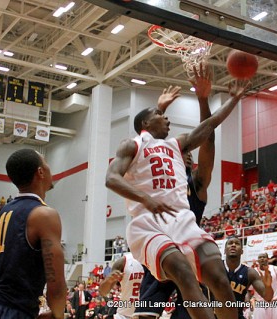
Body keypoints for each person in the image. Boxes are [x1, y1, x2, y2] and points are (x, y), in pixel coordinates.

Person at [106, 64, 248, 319]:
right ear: (147, 122)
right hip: (149, 224)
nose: (168, 119)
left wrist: (234, 100)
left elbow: (209, 127)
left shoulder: (178, 150)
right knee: (179, 275)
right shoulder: (132, 145)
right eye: (162, 116)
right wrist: (146, 198)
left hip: (183, 222)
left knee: (218, 275)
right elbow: (111, 178)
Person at [134, 67, 215, 319]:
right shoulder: (157, 175)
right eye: (180, 152)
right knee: (146, 314)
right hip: (160, 248)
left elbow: (207, 140)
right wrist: (160, 111)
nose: (184, 155)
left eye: (187, 153)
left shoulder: (197, 183)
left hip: (189, 252)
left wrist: (203, 100)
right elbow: (145, 148)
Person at [0, 149, 67, 319]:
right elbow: (56, 284)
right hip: (16, 311)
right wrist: (57, 315)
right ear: (40, 172)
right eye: (46, 163)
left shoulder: (3, 213)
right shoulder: (45, 215)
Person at [225, 237, 273, 319]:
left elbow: (268, 297)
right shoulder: (216, 268)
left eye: (237, 243)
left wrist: (268, 287)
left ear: (242, 251)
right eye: (230, 243)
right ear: (224, 250)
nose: (233, 245)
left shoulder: (250, 273)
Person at [99, 254, 144, 319]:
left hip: (149, 314)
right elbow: (102, 292)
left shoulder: (157, 259)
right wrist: (109, 281)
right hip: (124, 315)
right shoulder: (124, 261)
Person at [249, 253, 277, 319]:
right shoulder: (253, 272)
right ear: (258, 260)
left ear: (268, 259)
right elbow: (249, 290)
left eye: (264, 257)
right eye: (260, 257)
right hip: (260, 303)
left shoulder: (275, 269)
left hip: (275, 302)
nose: (262, 258)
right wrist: (250, 302)